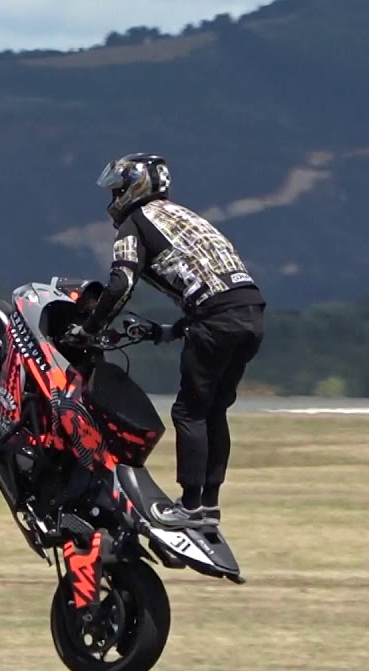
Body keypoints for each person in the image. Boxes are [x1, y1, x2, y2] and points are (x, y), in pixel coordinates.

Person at [67, 153, 265, 530]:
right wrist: (168, 332)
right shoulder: (187, 217)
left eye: (118, 188)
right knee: (214, 410)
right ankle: (209, 506)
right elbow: (214, 288)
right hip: (251, 312)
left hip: (216, 320)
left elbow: (121, 284)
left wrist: (90, 329)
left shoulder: (136, 222)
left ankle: (190, 507)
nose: (113, 198)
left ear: (134, 187)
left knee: (188, 412)